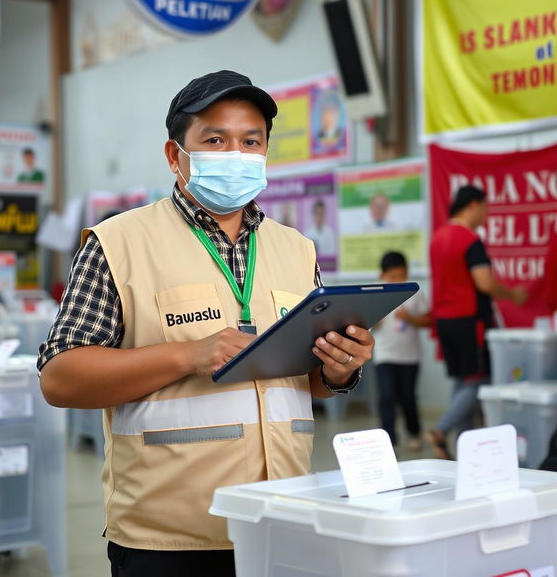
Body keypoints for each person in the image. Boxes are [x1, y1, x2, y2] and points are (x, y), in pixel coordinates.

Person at [37, 70, 374, 577]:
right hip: (170, 539)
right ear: (176, 156)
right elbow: (59, 378)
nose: (235, 154)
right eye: (215, 139)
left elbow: (304, 387)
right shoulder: (118, 244)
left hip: (281, 519)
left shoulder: (296, 250)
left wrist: (339, 370)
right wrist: (187, 355)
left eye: (251, 141)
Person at [428, 185, 527, 459]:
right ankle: (441, 428)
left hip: (446, 321)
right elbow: (484, 282)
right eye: (485, 207)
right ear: (473, 205)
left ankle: (465, 449)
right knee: (478, 381)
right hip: (470, 320)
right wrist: (513, 294)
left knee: (463, 382)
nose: (486, 213)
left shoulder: (438, 238)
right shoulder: (469, 239)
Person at [371, 252, 430, 451]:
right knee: (387, 396)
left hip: (410, 355)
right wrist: (374, 318)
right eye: (393, 276)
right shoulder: (376, 293)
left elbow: (428, 320)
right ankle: (389, 441)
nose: (398, 281)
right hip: (384, 354)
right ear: (382, 275)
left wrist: (410, 319)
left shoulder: (414, 292)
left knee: (408, 397)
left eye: (402, 276)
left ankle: (414, 433)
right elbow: (367, 323)